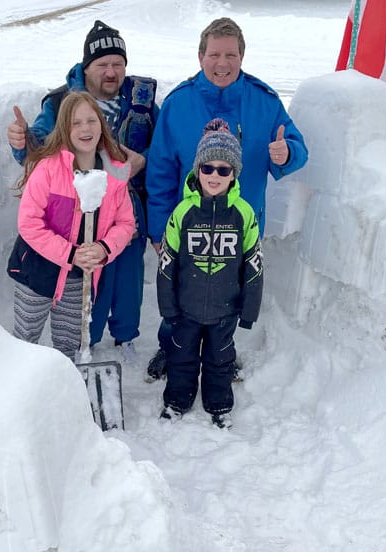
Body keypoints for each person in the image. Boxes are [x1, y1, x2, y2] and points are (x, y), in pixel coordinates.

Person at [144, 16, 308, 381]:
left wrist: (286, 153)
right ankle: (171, 348)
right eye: (215, 54)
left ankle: (221, 354)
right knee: (181, 293)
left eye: (231, 55)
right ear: (200, 56)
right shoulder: (179, 104)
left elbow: (297, 147)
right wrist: (158, 229)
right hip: (187, 228)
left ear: (241, 57)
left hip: (240, 229)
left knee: (229, 295)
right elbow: (159, 173)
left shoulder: (264, 102)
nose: (223, 63)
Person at [7, 20, 159, 363]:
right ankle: (88, 338)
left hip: (122, 202)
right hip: (68, 225)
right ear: (86, 66)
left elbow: (162, 147)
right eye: (102, 64)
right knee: (90, 286)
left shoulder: (142, 98)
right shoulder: (61, 102)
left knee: (126, 279)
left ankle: (123, 337)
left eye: (118, 64)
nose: (111, 72)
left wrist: (143, 162)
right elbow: (38, 146)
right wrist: (22, 141)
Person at [7, 92, 136, 360]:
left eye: (91, 120)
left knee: (68, 342)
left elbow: (125, 223)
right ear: (64, 128)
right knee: (25, 337)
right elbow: (29, 223)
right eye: (76, 123)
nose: (85, 128)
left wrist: (103, 249)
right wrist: (70, 253)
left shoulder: (113, 174)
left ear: (101, 124)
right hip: (36, 271)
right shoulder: (48, 169)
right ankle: (20, 381)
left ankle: (64, 381)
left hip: (78, 276)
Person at [157, 119, 262, 429]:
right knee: (181, 357)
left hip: (224, 310)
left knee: (220, 360)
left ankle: (219, 404)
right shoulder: (182, 213)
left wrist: (249, 310)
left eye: (223, 170)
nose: (215, 176)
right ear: (197, 170)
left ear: (234, 174)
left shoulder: (243, 214)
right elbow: (167, 264)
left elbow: (254, 266)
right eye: (208, 168)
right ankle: (177, 401)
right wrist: (168, 307)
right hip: (186, 309)